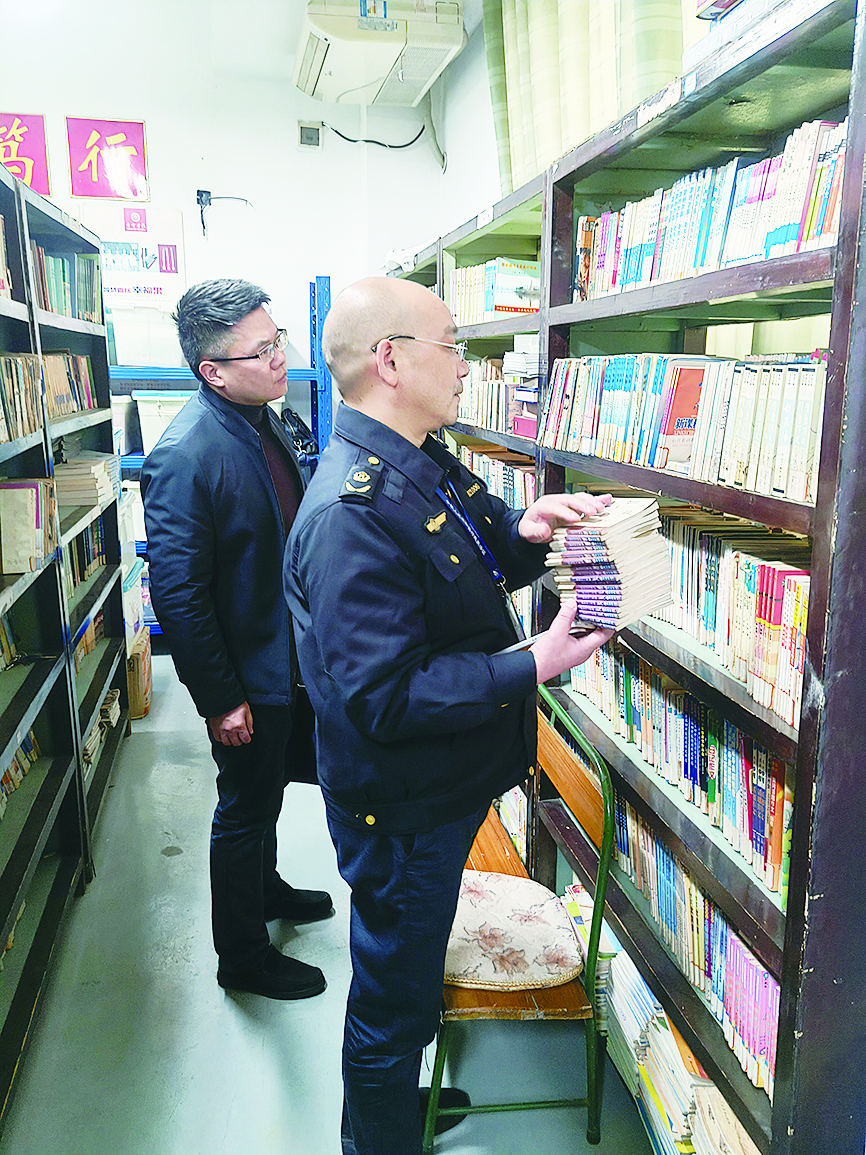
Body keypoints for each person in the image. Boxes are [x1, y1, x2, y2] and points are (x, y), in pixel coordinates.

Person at [283, 275, 614, 1154]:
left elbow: (474, 553)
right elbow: (386, 695)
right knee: (392, 1008)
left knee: (408, 980)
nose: (467, 366)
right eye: (453, 346)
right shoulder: (351, 511)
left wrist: (529, 529)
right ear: (391, 361)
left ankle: (396, 1114)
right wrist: (535, 661)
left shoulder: (416, 457)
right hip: (402, 807)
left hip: (436, 791)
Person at [140, 278, 332, 1002]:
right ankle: (243, 957)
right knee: (244, 808)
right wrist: (221, 698)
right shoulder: (185, 454)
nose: (280, 357)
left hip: (285, 657)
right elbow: (179, 595)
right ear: (212, 371)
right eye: (262, 350)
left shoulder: (263, 420)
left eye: (278, 339)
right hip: (247, 673)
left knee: (268, 791)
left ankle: (268, 889)